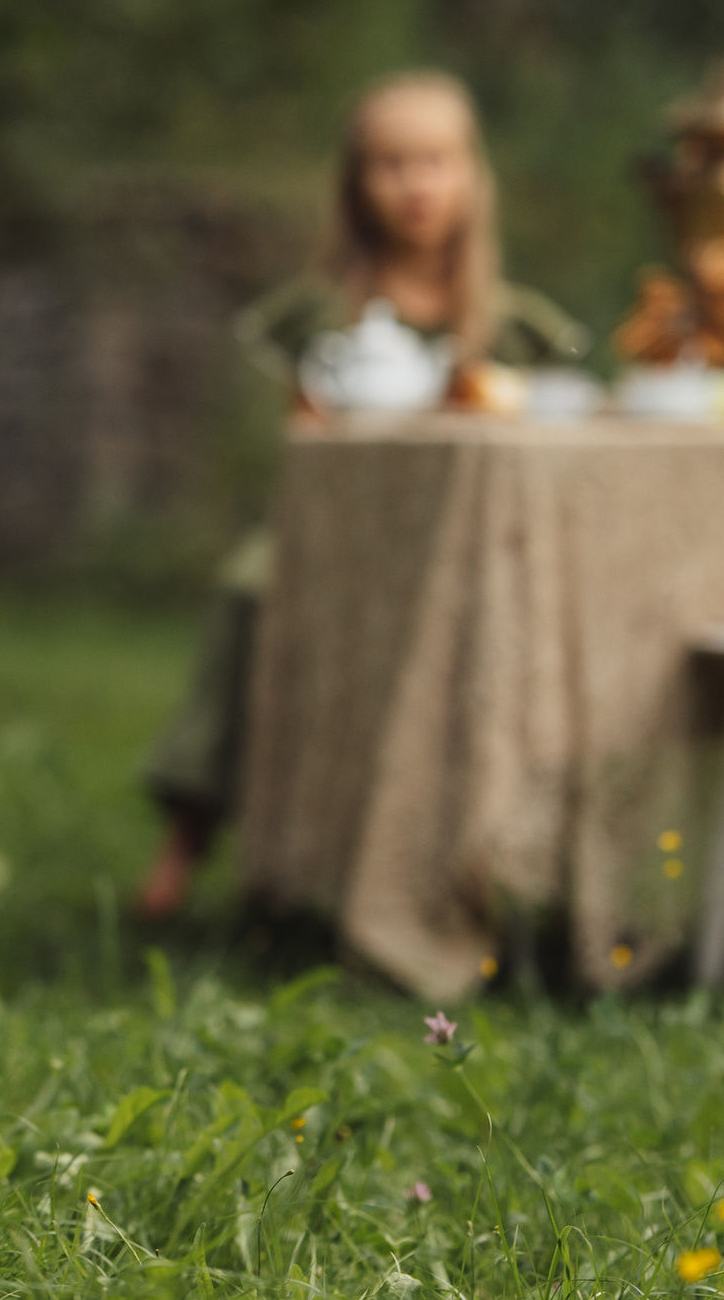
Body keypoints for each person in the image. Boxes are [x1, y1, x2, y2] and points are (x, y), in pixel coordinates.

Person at [134, 71, 587, 919]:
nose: (416, 185)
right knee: (248, 585)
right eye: (391, 164)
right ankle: (188, 833)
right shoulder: (319, 314)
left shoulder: (508, 324)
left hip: (467, 539)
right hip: (334, 531)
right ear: (355, 184)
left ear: (470, 175)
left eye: (435, 161)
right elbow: (303, 445)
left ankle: (496, 852)